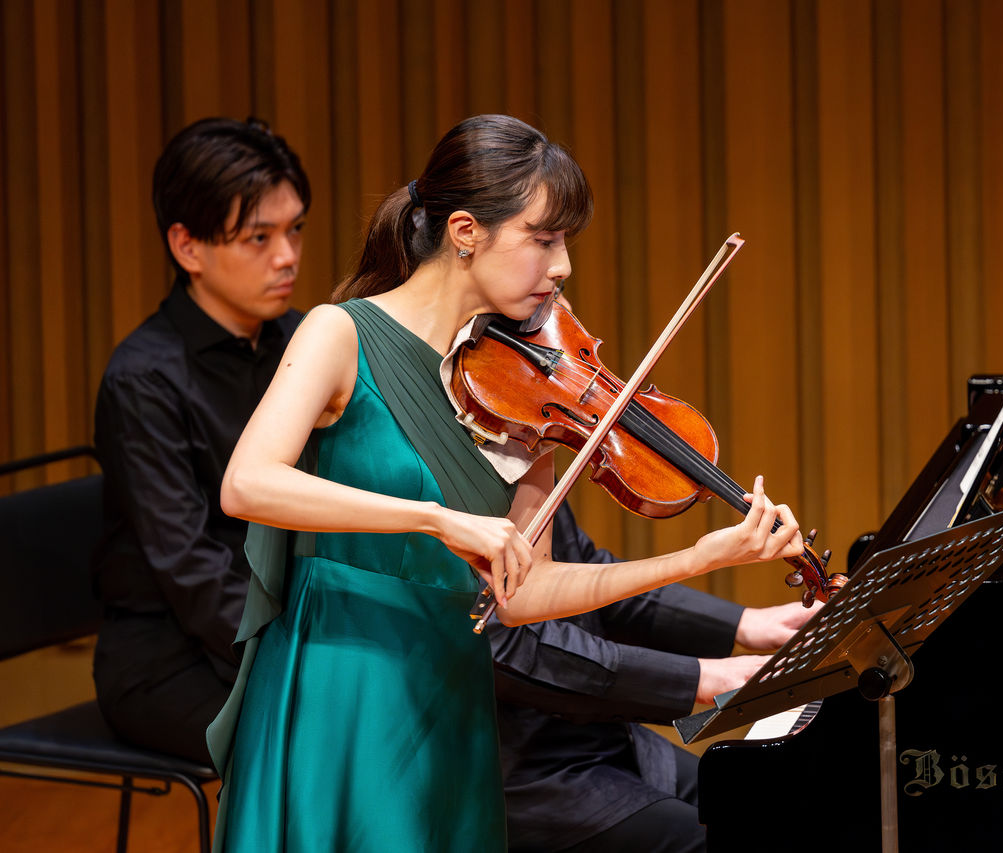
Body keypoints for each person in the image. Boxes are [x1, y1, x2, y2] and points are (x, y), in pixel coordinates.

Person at [206, 113, 803, 851]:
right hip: (344, 674)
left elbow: (524, 595)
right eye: (543, 239)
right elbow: (247, 483)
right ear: (466, 232)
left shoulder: (519, 385)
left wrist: (696, 559)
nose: (563, 267)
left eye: (566, 242)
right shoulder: (340, 333)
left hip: (449, 690)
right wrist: (433, 518)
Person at [91, 117, 309, 764]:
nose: (287, 256)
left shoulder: (302, 342)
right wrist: (299, 659)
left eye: (295, 229)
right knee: (338, 741)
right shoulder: (143, 379)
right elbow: (191, 570)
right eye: (259, 237)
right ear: (187, 246)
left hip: (289, 624)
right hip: (170, 658)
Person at [493, 501, 812, 853]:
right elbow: (508, 647)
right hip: (528, 775)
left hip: (613, 738)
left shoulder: (531, 471)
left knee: (775, 808)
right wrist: (700, 677)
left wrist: (745, 622)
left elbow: (590, 574)